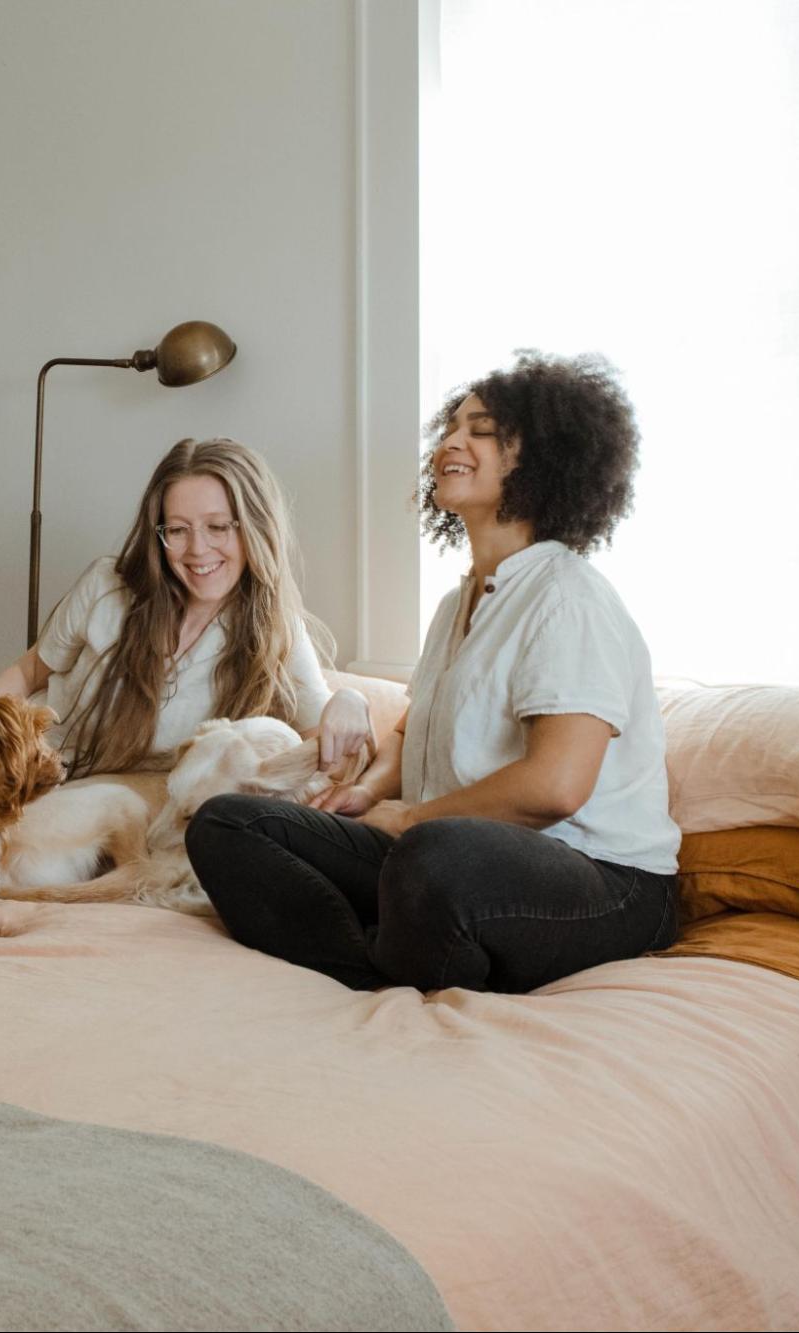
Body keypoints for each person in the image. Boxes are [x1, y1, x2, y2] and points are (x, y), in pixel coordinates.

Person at [186, 353, 681, 993]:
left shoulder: (567, 598)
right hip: (442, 856)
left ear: (542, 456)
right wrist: (364, 795)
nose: (450, 441)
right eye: (451, 427)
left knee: (433, 857)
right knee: (229, 823)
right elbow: (410, 730)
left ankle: (401, 945)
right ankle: (371, 970)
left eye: (479, 429)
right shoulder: (459, 604)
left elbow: (556, 786)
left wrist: (412, 820)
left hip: (604, 883)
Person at [0, 437, 371, 777]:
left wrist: (351, 699)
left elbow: (325, 742)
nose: (198, 550)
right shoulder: (106, 586)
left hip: (143, 816)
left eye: (218, 527)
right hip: (46, 780)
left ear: (254, 528)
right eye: (177, 530)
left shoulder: (275, 628)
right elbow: (28, 673)